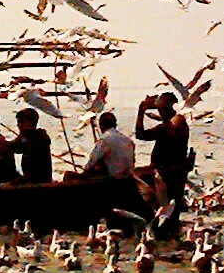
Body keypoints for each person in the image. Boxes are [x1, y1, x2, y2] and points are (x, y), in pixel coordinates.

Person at [135, 92, 194, 233]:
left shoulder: (171, 124)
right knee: (173, 212)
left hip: (166, 173)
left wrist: (141, 111)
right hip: (176, 171)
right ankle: (170, 236)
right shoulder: (178, 122)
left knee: (166, 210)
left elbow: (140, 134)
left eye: (160, 109)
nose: (159, 112)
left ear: (166, 108)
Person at [74, 111, 135, 181]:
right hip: (128, 177)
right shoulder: (128, 140)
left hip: (113, 178)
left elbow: (93, 160)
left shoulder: (105, 139)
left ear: (101, 125)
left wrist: (84, 172)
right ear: (115, 125)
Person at [7, 107, 53, 184]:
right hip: (34, 181)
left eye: (20, 122)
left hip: (37, 184)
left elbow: (33, 174)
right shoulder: (30, 138)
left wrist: (11, 184)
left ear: (29, 123)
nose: (18, 125)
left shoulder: (37, 141)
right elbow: (16, 147)